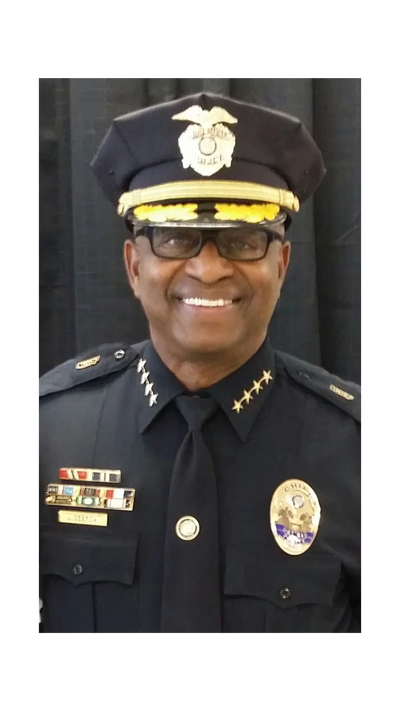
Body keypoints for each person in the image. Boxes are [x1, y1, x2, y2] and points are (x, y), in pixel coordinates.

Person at [36, 92, 364, 636]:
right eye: (174, 238)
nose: (208, 270)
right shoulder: (50, 433)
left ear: (282, 264)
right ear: (133, 266)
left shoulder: (352, 447)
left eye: (244, 239)